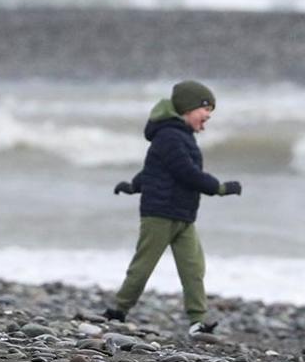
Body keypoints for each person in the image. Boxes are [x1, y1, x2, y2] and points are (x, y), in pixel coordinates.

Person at [103, 80, 242, 337]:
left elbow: (154, 170)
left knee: (193, 268)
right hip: (159, 214)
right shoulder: (169, 136)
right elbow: (185, 172)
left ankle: (198, 321)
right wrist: (219, 188)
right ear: (187, 108)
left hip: (183, 215)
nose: (209, 115)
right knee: (143, 266)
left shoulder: (182, 136)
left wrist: (134, 185)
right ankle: (118, 310)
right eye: (205, 108)